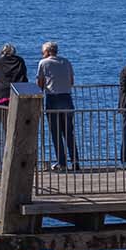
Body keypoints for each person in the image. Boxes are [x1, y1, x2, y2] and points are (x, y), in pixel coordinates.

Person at [37, 41, 79, 171]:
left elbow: (40, 83)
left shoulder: (43, 63)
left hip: (53, 98)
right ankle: (75, 161)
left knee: (56, 132)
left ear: (48, 52)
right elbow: (71, 81)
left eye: (43, 52)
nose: (42, 54)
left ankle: (62, 162)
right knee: (68, 132)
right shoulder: (66, 61)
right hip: (67, 97)